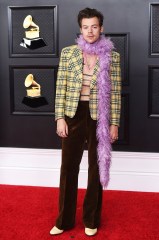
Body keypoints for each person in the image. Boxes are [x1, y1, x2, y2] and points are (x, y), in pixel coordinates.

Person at [50, 7, 121, 236]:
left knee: (96, 168)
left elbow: (115, 93)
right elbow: (60, 87)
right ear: (80, 29)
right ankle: (64, 220)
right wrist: (60, 118)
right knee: (68, 168)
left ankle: (91, 218)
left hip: (99, 116)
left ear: (101, 28)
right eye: (85, 27)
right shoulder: (68, 53)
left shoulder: (113, 57)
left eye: (94, 26)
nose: (90, 31)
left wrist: (114, 123)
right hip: (73, 114)